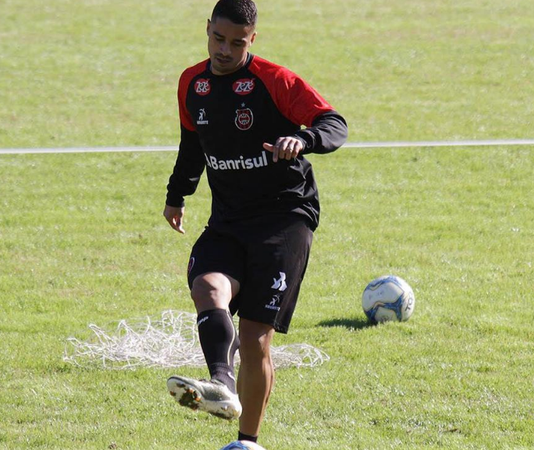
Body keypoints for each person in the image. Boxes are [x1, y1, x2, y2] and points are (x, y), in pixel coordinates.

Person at [163, 0, 347, 448]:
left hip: (285, 217)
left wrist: (301, 138)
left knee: (254, 338)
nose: (225, 50)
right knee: (207, 289)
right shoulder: (192, 82)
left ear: (252, 40)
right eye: (218, 38)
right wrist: (177, 195)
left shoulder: (274, 80)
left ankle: (247, 442)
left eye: (237, 43)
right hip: (228, 218)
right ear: (207, 29)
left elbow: (334, 123)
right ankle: (221, 385)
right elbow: (193, 144)